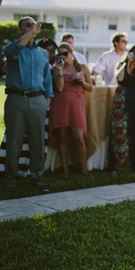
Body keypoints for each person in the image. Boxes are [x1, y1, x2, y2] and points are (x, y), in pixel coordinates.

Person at [3, 17, 54, 192]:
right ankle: (10, 178)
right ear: (19, 30)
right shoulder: (12, 48)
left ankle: (37, 177)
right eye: (27, 25)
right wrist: (32, 34)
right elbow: (13, 50)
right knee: (14, 141)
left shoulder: (42, 53)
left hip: (38, 101)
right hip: (16, 99)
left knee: (38, 141)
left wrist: (47, 99)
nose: (32, 28)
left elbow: (47, 77)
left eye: (34, 25)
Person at [50, 42, 92, 176]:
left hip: (76, 105)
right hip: (61, 104)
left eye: (65, 53)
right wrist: (60, 71)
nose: (62, 56)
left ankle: (83, 169)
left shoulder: (83, 68)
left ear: (71, 54)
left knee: (79, 138)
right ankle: (65, 170)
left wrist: (82, 82)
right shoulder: (56, 69)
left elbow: (90, 88)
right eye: (59, 54)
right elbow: (60, 88)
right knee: (62, 138)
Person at [108, 44, 135, 172]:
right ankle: (120, 164)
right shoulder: (120, 64)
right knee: (120, 130)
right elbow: (119, 77)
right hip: (122, 100)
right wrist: (127, 62)